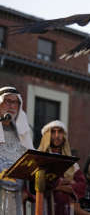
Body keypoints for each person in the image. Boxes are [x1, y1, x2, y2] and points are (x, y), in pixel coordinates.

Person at [37, 120, 87, 215]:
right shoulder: (40, 158)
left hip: (65, 208)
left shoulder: (71, 162)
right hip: (44, 206)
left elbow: (82, 187)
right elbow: (45, 182)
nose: (57, 136)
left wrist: (57, 186)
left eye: (60, 132)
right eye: (53, 132)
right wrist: (68, 181)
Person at [0, 86, 34, 215]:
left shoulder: (23, 135)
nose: (12, 106)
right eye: (8, 101)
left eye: (16, 102)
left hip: (16, 202)